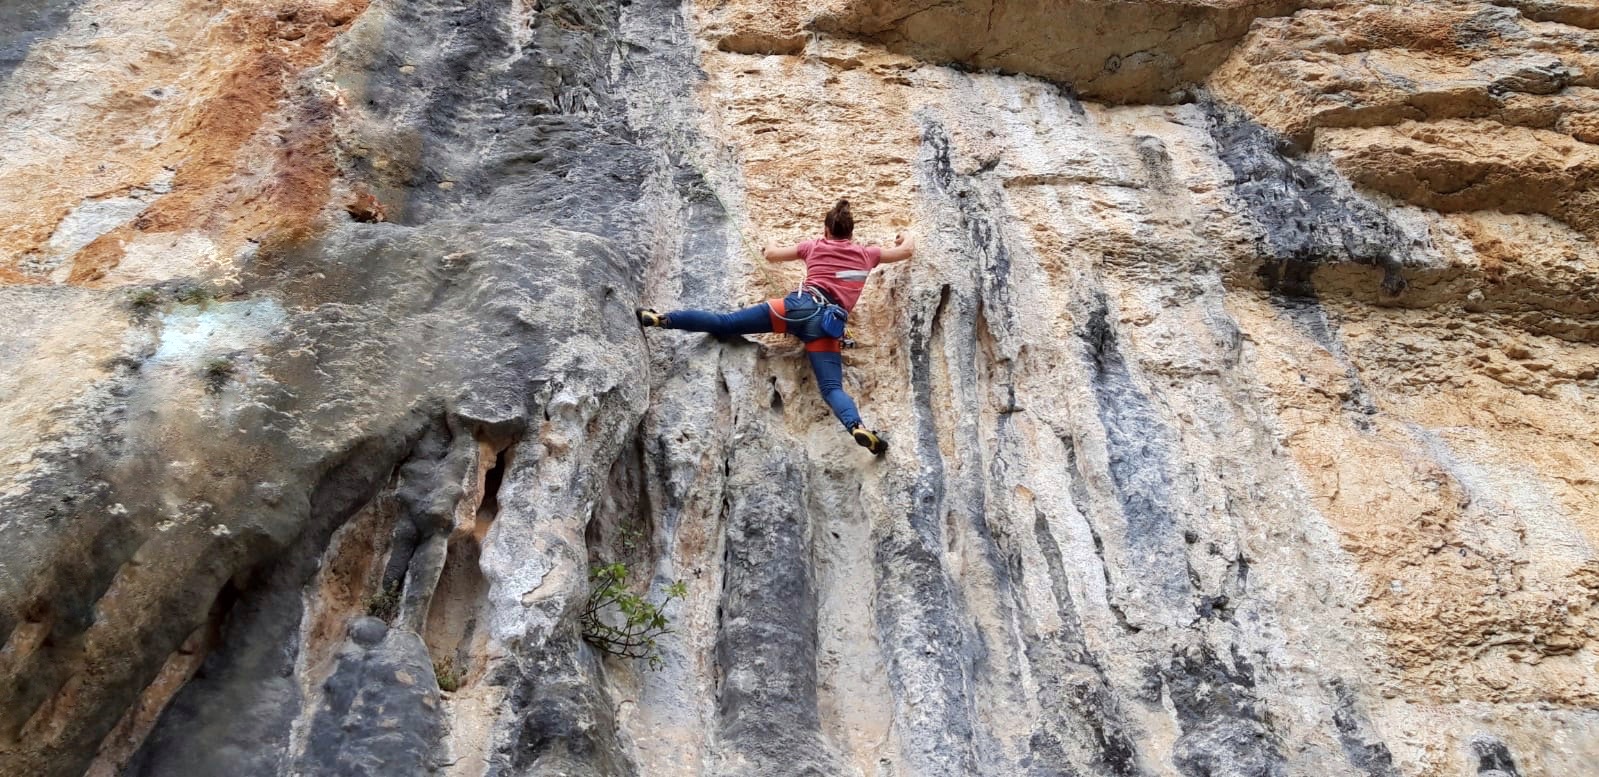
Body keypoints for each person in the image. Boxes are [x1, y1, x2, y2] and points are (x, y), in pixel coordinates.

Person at [636, 199, 915, 455]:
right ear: (850, 233)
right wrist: (905, 234)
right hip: (827, 325)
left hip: (796, 309)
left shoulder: (814, 246)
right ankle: (856, 426)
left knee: (726, 323)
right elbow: (906, 250)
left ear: (826, 230)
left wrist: (765, 241)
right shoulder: (868, 255)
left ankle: (661, 319)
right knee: (831, 388)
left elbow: (771, 254)